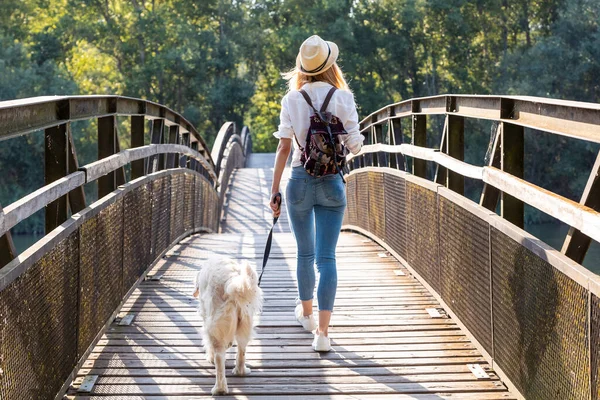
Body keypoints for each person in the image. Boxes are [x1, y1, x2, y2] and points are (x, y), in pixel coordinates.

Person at [269, 35, 363, 352]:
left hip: (298, 180)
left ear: (304, 69)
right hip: (332, 183)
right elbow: (355, 144)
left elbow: (284, 147)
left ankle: (306, 315)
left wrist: (274, 192)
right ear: (330, 65)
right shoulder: (343, 97)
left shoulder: (292, 100)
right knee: (327, 258)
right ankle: (322, 334)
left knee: (305, 254)